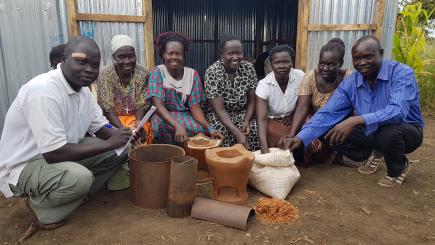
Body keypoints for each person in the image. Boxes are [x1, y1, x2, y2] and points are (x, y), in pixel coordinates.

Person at [0, 37, 133, 232]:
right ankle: (41, 209)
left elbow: (100, 127)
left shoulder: (83, 92)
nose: (89, 69)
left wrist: (122, 134)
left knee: (123, 149)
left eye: (94, 65)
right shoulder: (44, 91)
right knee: (80, 178)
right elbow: (54, 153)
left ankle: (77, 195)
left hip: (59, 158)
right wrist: (109, 143)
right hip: (25, 166)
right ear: (63, 60)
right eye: (81, 62)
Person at [279, 36, 424, 188]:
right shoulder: (352, 81)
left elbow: (398, 111)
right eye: (357, 59)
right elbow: (328, 113)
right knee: (328, 128)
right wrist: (300, 138)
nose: (362, 63)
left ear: (380, 53)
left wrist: (356, 119)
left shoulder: (401, 73)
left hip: (406, 130)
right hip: (371, 131)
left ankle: (398, 168)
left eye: (368, 57)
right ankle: (373, 152)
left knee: (389, 132)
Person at [147, 32, 223, 144]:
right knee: (162, 126)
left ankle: (191, 157)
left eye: (178, 54)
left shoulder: (193, 75)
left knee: (203, 131)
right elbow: (158, 106)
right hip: (164, 115)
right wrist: (177, 126)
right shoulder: (158, 72)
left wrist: (209, 128)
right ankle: (168, 157)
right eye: (170, 53)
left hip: (185, 115)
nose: (174, 57)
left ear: (184, 55)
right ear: (163, 54)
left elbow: (195, 108)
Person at [287, 38, 354, 166]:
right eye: (322, 63)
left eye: (331, 65)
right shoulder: (310, 77)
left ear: (341, 63)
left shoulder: (349, 78)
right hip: (314, 120)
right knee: (306, 154)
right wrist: (292, 134)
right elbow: (302, 109)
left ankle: (339, 153)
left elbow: (352, 108)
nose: (325, 68)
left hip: (339, 122)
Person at [204, 34, 260, 150]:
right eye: (230, 53)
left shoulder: (248, 68)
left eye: (238, 53)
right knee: (221, 132)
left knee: (253, 129)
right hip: (219, 115)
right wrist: (237, 132)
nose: (235, 57)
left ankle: (250, 163)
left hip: (242, 113)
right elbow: (219, 110)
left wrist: (247, 121)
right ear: (222, 53)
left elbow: (252, 101)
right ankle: (226, 164)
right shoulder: (212, 72)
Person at [97, 35, 153, 145]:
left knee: (142, 135)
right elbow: (107, 109)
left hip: (135, 119)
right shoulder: (105, 74)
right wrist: (125, 132)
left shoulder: (143, 73)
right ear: (114, 57)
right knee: (119, 139)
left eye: (131, 56)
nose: (127, 61)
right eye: (121, 57)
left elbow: (142, 104)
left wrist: (138, 125)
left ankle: (140, 160)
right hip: (113, 120)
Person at [255, 45, 305, 154]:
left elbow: (304, 105)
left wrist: (292, 116)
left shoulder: (300, 76)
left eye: (286, 62)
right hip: (273, 121)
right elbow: (262, 120)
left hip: (295, 118)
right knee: (290, 143)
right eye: (277, 62)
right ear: (271, 65)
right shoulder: (264, 85)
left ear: (292, 62)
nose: (282, 66)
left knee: (308, 139)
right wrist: (264, 150)